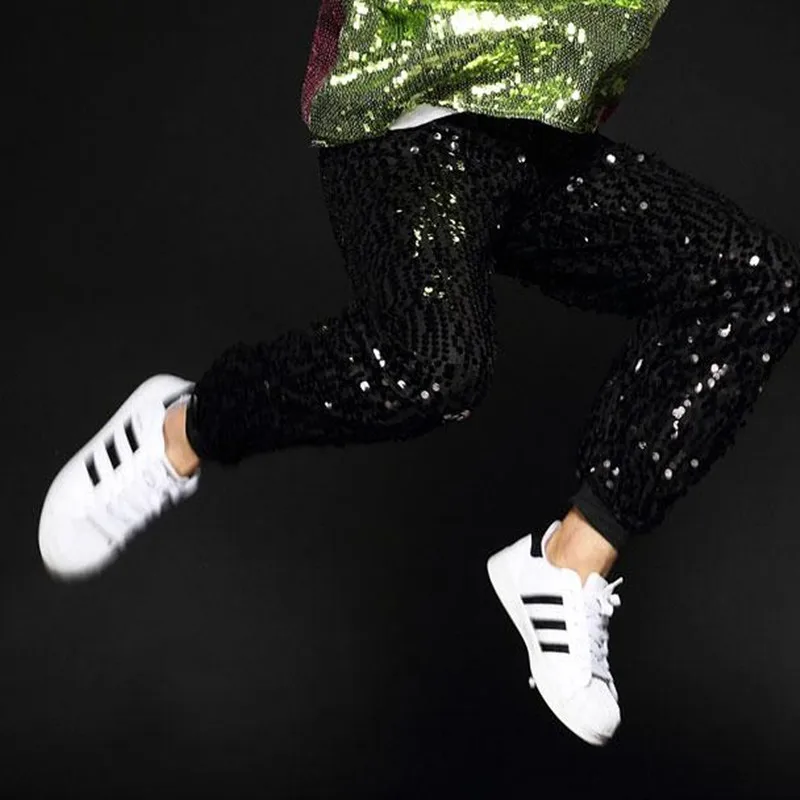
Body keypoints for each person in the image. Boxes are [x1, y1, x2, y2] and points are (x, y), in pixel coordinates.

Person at [38, 0, 800, 747]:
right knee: (434, 366)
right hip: (406, 110)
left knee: (752, 278)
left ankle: (569, 566)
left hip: (540, 127)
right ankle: (179, 432)